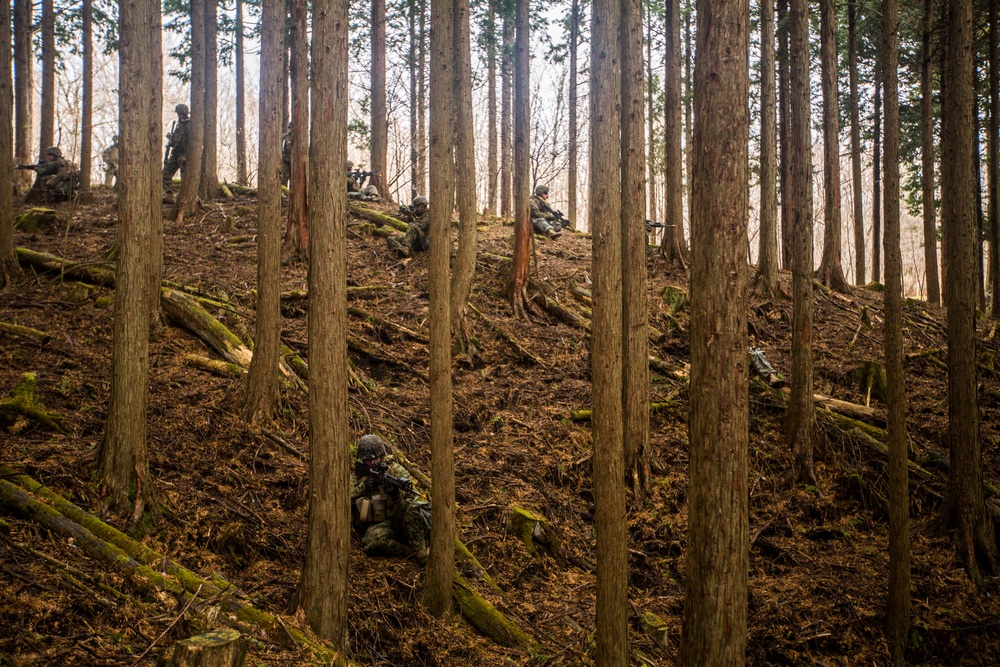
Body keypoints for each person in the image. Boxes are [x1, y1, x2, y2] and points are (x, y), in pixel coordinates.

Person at [350, 434, 429, 563]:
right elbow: (345, 499)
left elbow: (413, 496)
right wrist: (363, 487)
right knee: (373, 544)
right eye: (368, 460)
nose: (373, 462)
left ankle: (420, 551)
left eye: (376, 458)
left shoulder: (395, 470)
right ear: (362, 459)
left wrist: (396, 495)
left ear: (382, 456)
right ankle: (409, 551)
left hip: (399, 519)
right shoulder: (357, 477)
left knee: (410, 508)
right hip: (379, 526)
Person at [162, 103, 191, 192]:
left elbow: (191, 142)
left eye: (180, 114)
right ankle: (168, 194)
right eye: (178, 114)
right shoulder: (178, 125)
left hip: (184, 155)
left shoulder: (190, 125)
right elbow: (176, 141)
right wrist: (171, 139)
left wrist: (186, 155)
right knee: (165, 174)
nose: (179, 116)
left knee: (185, 178)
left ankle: (185, 195)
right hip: (176, 154)